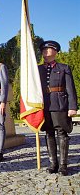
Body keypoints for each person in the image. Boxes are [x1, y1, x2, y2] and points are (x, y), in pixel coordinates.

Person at [38, 40, 78, 176]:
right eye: (43, 50)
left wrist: (72, 107)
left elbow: (70, 89)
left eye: (48, 49)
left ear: (55, 51)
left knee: (61, 133)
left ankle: (63, 165)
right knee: (48, 133)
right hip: (44, 105)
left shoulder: (64, 68)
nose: (45, 52)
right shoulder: (38, 69)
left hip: (60, 104)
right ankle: (53, 163)